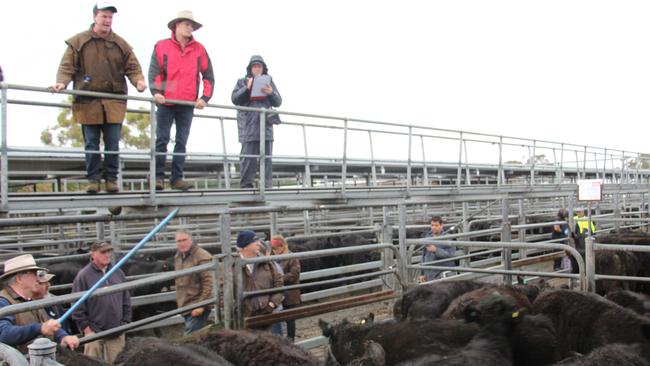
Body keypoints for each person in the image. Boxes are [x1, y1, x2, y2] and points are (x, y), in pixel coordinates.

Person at [52, 2, 147, 194]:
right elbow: (67, 67)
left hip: (114, 100)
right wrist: (62, 83)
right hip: (88, 100)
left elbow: (133, 67)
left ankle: (111, 179)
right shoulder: (78, 42)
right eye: (104, 16)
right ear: (95, 16)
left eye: (110, 17)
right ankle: (93, 179)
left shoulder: (121, 44)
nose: (107, 21)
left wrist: (139, 81)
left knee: (112, 142)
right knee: (91, 142)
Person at [149, 10, 214, 191]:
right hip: (166, 101)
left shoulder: (199, 49)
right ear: (176, 25)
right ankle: (157, 177)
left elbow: (208, 75)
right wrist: (156, 92)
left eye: (191, 25)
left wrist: (205, 97)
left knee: (182, 140)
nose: (189, 27)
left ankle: (177, 178)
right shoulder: (162, 46)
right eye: (186, 24)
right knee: (162, 139)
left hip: (187, 103)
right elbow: (154, 71)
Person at [0, 254, 79, 351]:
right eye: (33, 274)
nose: (38, 279)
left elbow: (47, 323)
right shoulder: (3, 302)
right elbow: (4, 334)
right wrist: (39, 328)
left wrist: (63, 336)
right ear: (19, 279)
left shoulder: (31, 299)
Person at [72, 241, 130, 363]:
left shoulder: (117, 272)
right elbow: (77, 305)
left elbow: (126, 298)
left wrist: (125, 321)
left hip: (116, 328)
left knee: (118, 361)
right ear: (93, 254)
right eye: (103, 252)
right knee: (91, 362)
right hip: (93, 330)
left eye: (109, 251)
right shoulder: (83, 276)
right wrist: (87, 329)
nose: (107, 255)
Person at [231, 55, 283, 188]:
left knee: (266, 158)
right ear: (250, 68)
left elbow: (278, 102)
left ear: (263, 68)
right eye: (254, 66)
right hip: (248, 125)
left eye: (259, 66)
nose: (257, 69)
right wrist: (247, 88)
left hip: (265, 126)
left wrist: (271, 93)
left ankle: (267, 186)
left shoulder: (269, 82)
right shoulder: (241, 82)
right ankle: (246, 186)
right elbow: (235, 99)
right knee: (248, 158)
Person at [235, 230, 284, 330]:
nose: (259, 243)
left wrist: (272, 304)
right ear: (245, 246)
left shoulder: (267, 262)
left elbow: (279, 283)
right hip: (244, 317)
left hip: (268, 313)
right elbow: (223, 291)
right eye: (254, 241)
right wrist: (237, 309)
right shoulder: (232, 266)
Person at [173, 230, 214, 335]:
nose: (182, 243)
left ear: (191, 240)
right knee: (197, 337)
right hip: (185, 304)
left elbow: (209, 283)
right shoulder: (178, 256)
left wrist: (201, 305)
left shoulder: (202, 256)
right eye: (179, 241)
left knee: (190, 337)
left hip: (197, 304)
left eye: (184, 240)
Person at [270, 235, 301, 340]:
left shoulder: (291, 257)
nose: (274, 251)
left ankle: (291, 339)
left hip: (290, 294)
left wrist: (279, 279)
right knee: (277, 318)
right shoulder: (273, 257)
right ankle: (279, 339)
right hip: (278, 293)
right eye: (273, 249)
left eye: (276, 248)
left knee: (290, 319)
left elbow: (294, 275)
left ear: (283, 246)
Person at [418, 216, 456, 283]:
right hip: (429, 274)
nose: (434, 227)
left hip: (441, 274)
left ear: (441, 226)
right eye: (432, 225)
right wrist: (422, 274)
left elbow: (451, 254)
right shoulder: (427, 237)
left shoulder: (448, 238)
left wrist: (436, 250)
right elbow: (423, 257)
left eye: (436, 225)